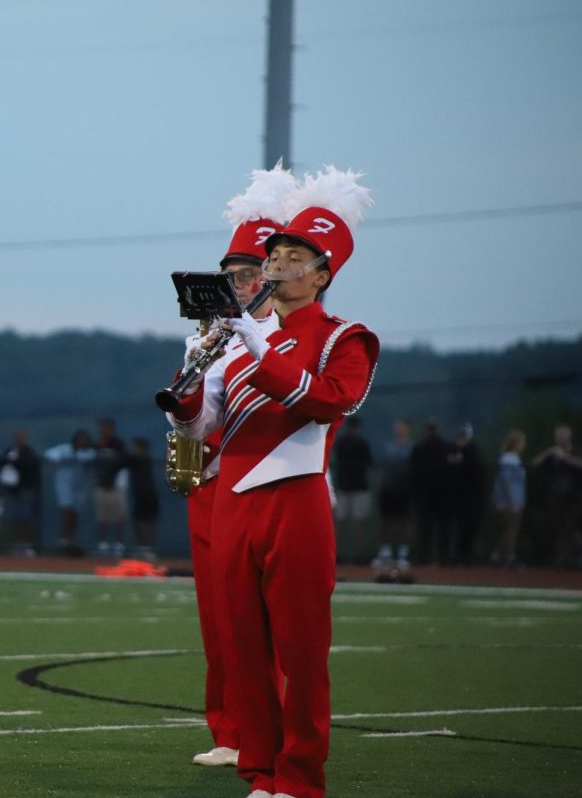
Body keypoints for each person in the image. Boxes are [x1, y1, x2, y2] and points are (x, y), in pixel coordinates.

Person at [169, 165, 377, 798]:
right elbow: (211, 422)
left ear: (322, 274)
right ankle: (260, 771)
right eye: (277, 253)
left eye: (295, 257)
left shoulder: (346, 337)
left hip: (294, 497)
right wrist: (186, 399)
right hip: (232, 499)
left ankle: (300, 777)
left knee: (301, 649)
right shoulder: (235, 342)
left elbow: (327, 402)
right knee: (243, 646)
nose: (280, 264)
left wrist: (257, 344)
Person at [174, 163, 290, 768]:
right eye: (230, 276)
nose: (238, 286)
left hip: (263, 485)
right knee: (218, 617)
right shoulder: (205, 338)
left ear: (269, 277)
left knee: (265, 619)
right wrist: (185, 393)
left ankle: (268, 731)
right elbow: (194, 419)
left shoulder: (287, 336)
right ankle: (228, 729)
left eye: (248, 275)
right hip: (207, 482)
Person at [531, 424, 582, 568]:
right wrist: (549, 452)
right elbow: (534, 463)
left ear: (569, 435)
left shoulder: (576, 451)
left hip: (574, 498)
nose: (560, 437)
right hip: (556, 497)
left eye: (563, 434)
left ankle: (579, 557)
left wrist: (566, 457)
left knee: (572, 527)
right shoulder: (553, 454)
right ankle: (562, 559)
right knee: (559, 528)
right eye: (558, 435)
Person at [44, 430, 95, 556]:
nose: (82, 442)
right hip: (64, 485)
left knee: (75, 513)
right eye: (80, 439)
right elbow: (50, 454)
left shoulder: (89, 452)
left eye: (85, 440)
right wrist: (61, 458)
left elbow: (88, 457)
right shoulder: (65, 449)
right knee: (67, 510)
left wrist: (75, 457)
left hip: (79, 487)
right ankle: (65, 540)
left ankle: (72, 539)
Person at [372, 418, 413, 573]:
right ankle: (385, 552)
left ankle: (402, 553)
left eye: (402, 427)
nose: (399, 430)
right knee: (386, 521)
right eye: (398, 428)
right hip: (388, 490)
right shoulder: (389, 447)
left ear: (408, 429)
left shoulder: (410, 448)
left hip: (403, 490)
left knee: (402, 522)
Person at [331, 415, 372, 563]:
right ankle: (358, 556)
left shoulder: (340, 442)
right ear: (358, 427)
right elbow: (369, 463)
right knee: (359, 523)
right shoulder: (362, 442)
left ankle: (334, 554)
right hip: (359, 487)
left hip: (344, 486)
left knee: (340, 523)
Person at [411, 419, 452, 564]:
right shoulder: (445, 446)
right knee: (442, 527)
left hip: (424, 493)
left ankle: (423, 557)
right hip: (441, 493)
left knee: (425, 528)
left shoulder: (420, 447)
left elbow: (413, 472)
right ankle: (442, 557)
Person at [446, 422, 486, 565]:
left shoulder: (473, 452)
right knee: (457, 529)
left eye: (464, 437)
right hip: (458, 500)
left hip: (471, 500)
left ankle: (465, 556)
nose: (461, 440)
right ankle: (457, 556)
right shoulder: (454, 451)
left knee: (469, 529)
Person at [0, 428, 41, 556]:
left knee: (26, 518)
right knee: (14, 518)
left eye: (21, 437)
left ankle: (28, 545)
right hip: (13, 492)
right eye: (17, 437)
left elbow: (28, 465)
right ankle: (16, 544)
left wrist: (15, 462)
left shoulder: (28, 452)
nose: (18, 439)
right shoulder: (10, 451)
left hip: (26, 491)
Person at [490, 429, 527, 568]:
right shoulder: (510, 459)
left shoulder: (509, 458)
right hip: (511, 500)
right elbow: (507, 481)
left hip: (512, 499)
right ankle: (509, 557)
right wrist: (512, 500)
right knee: (511, 529)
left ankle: (498, 555)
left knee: (508, 529)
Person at [93, 418, 128, 556]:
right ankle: (103, 544)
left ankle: (119, 544)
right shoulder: (97, 445)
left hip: (116, 486)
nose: (103, 430)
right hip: (101, 485)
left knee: (119, 516)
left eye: (106, 427)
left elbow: (122, 462)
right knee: (102, 516)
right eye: (102, 427)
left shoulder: (117, 444)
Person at [126, 437, 159, 559]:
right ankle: (141, 547)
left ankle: (148, 548)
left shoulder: (143, 459)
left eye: (136, 447)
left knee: (148, 521)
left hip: (149, 495)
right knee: (137, 520)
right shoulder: (132, 460)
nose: (133, 450)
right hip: (138, 495)